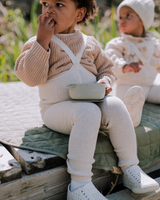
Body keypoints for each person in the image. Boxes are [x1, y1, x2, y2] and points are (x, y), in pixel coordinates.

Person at [14, 0, 159, 199]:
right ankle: (79, 185)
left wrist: (104, 81)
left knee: (116, 104)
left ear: (79, 14)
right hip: (56, 108)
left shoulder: (89, 43)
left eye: (59, 4)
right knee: (88, 112)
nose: (49, 9)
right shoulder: (37, 42)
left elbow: (106, 69)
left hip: (92, 102)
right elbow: (30, 78)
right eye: (45, 3)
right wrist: (42, 42)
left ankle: (131, 167)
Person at [105, 0, 160, 128]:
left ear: (142, 20)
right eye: (120, 17)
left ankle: (138, 104)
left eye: (128, 16)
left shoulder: (154, 44)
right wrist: (124, 66)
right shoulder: (119, 43)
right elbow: (110, 57)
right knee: (125, 99)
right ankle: (131, 115)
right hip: (127, 86)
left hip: (149, 86)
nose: (122, 20)